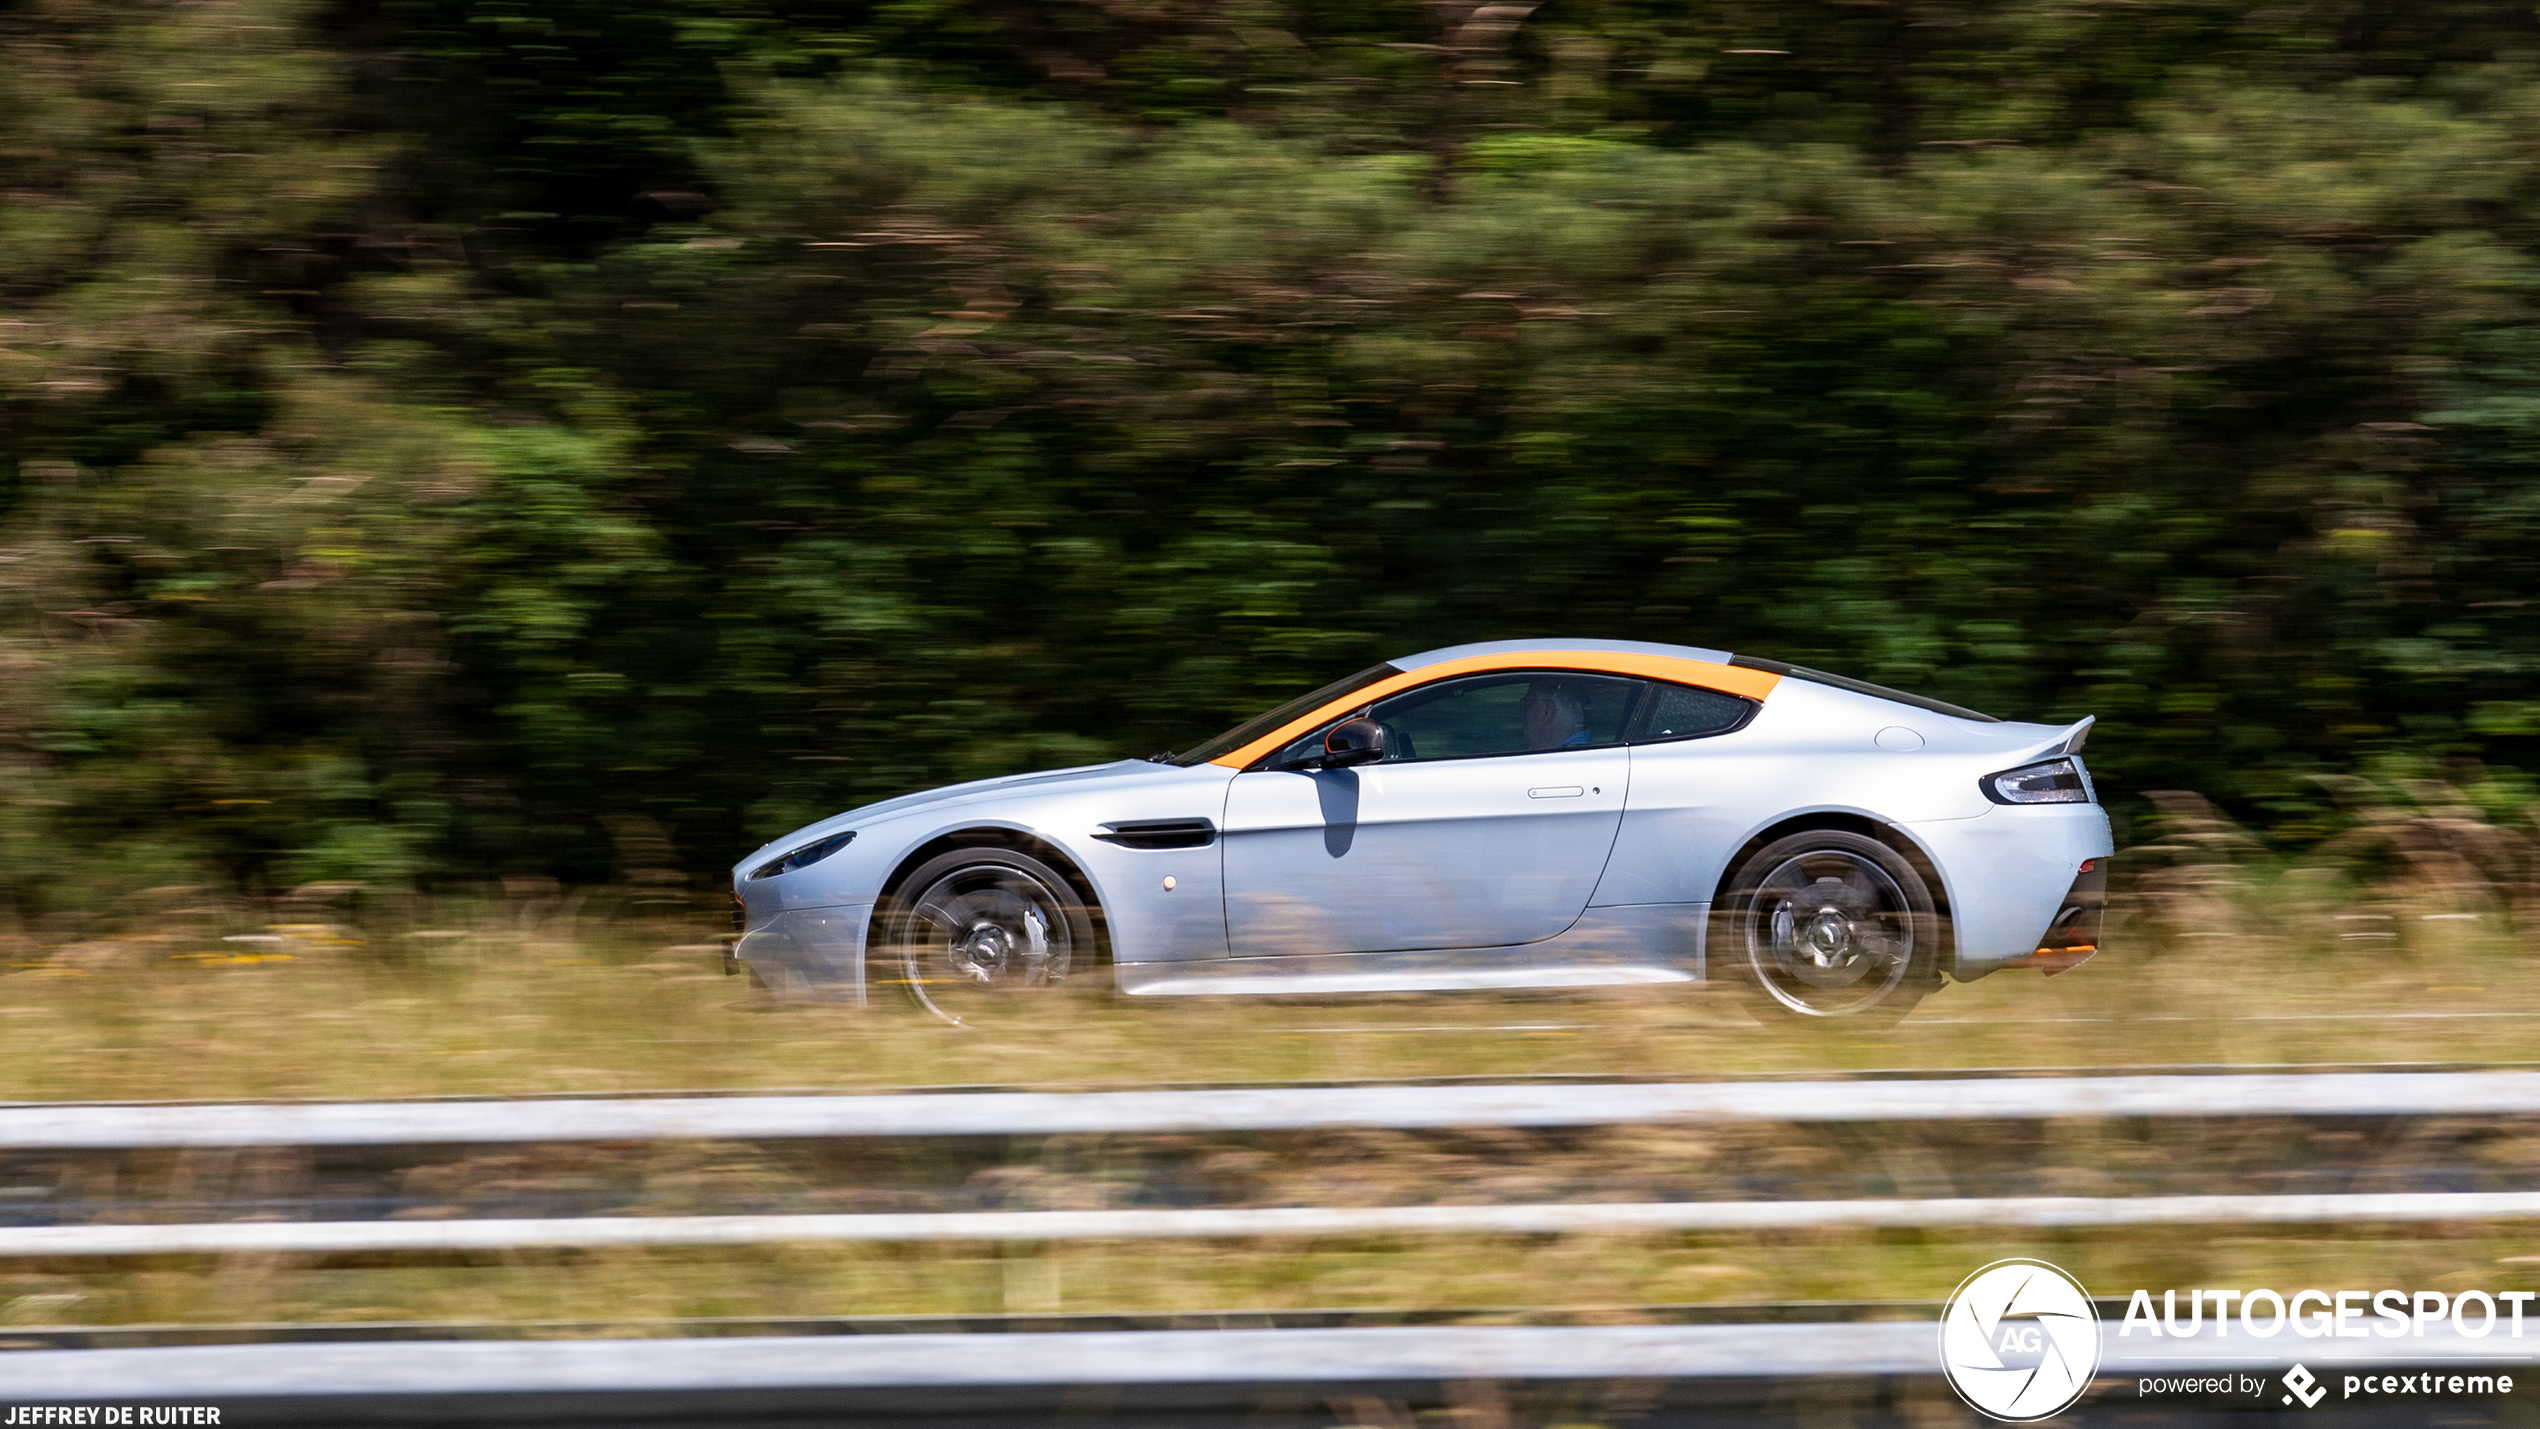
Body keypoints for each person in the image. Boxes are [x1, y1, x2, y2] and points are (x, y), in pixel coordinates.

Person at [1520, 681, 1593, 750]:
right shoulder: (1586, 755)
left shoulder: (1566, 760)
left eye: (1527, 704)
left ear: (1547, 711)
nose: (1520, 713)